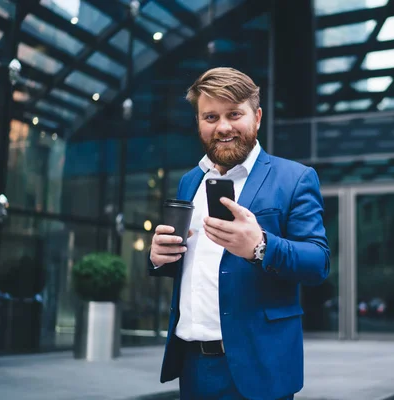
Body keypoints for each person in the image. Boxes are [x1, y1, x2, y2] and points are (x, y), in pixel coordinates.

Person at [148, 67, 330, 400]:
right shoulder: (190, 181)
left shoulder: (295, 178)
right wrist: (160, 258)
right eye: (211, 117)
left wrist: (260, 246)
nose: (224, 127)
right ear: (199, 122)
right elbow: (199, 266)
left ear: (257, 117)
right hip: (192, 365)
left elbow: (318, 262)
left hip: (260, 366)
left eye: (234, 114)